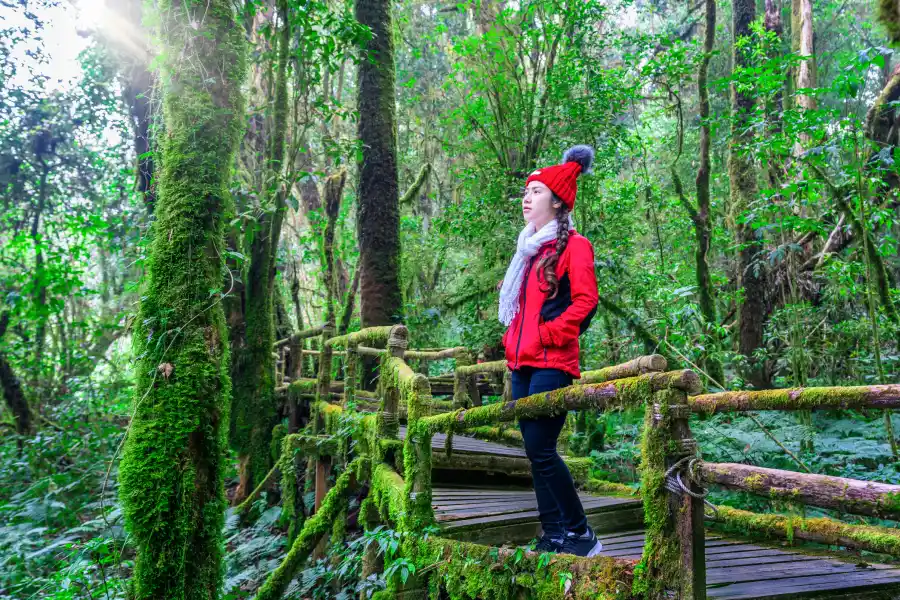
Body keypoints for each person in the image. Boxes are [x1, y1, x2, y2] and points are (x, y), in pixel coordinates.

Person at [498, 145, 600, 556]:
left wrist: (547, 334)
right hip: (522, 363)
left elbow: (586, 301)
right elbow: (522, 309)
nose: (527, 197)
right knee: (534, 451)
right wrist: (515, 343)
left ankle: (581, 533)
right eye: (527, 191)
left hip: (552, 361)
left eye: (536, 191)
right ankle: (554, 533)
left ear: (557, 201)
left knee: (541, 448)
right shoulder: (529, 250)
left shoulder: (575, 246)